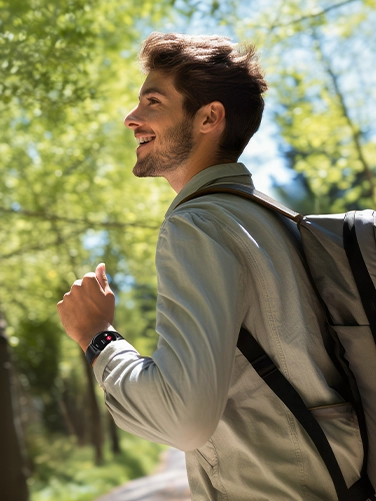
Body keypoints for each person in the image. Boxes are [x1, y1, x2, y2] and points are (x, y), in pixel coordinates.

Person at [57, 32, 363, 500]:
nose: (130, 118)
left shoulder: (196, 225)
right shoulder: (273, 221)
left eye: (152, 101)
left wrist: (98, 337)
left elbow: (183, 419)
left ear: (208, 117)